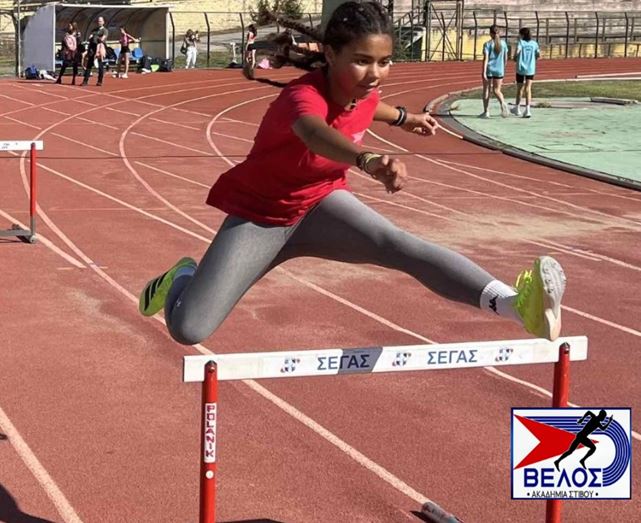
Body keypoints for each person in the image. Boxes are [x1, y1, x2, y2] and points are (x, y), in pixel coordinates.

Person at [138, 2, 566, 348]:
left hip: (322, 205)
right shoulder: (301, 98)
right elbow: (314, 134)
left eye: (384, 62)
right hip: (261, 217)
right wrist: (367, 160)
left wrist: (406, 118)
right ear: (330, 55)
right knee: (189, 329)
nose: (375, 74)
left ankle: (516, 305)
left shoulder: (365, 91)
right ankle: (183, 276)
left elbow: (371, 106)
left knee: (399, 245)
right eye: (362, 61)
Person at [481, 25, 508, 119]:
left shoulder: (487, 44)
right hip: (499, 69)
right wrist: (503, 67)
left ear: (490, 33)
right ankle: (503, 103)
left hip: (490, 69)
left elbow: (486, 59)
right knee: (497, 90)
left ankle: (486, 111)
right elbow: (505, 58)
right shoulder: (503, 44)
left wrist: (484, 71)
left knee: (486, 90)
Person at [512, 27, 540, 118]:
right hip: (530, 68)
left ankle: (517, 108)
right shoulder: (534, 43)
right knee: (528, 88)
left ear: (522, 35)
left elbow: (517, 51)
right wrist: (534, 58)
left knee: (520, 88)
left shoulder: (521, 42)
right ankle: (527, 110)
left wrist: (514, 57)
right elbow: (538, 54)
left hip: (521, 68)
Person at [81, 16, 108, 87]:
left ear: (103, 22)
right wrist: (92, 38)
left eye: (100, 21)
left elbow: (102, 39)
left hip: (99, 47)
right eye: (98, 21)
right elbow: (90, 37)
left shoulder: (105, 30)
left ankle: (100, 81)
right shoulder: (94, 30)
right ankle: (85, 81)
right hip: (92, 48)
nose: (99, 22)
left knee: (100, 64)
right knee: (89, 64)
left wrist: (95, 37)